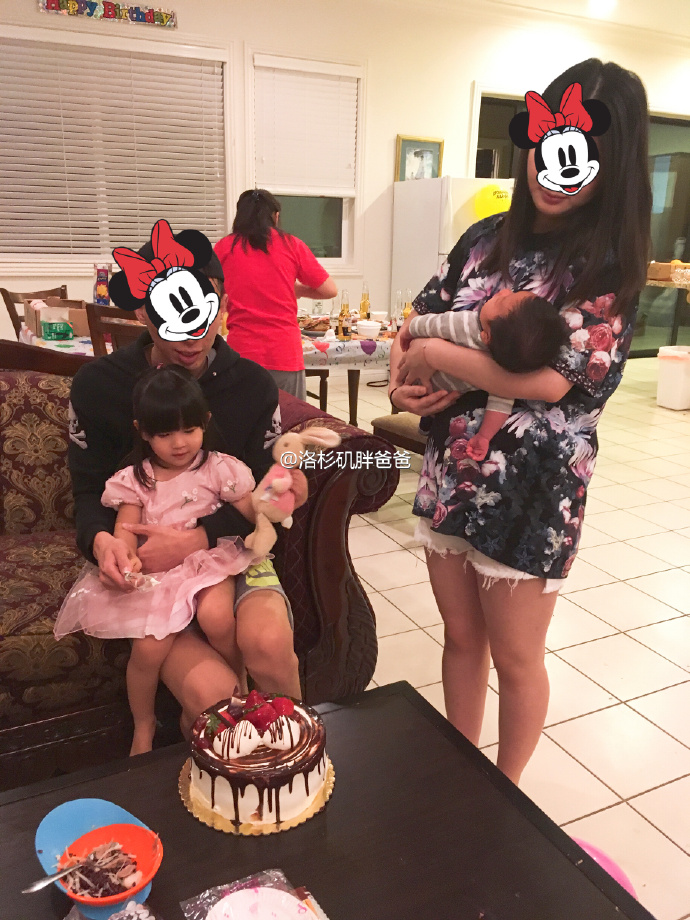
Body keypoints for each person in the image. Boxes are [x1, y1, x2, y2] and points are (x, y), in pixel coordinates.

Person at [390, 59, 651, 785]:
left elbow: (554, 381)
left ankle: (504, 800)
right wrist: (403, 376)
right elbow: (415, 319)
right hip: (452, 471)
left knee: (515, 656)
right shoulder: (484, 238)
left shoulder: (606, 267)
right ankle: (458, 778)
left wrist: (437, 352)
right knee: (460, 636)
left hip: (533, 491)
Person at [68, 230, 305, 744]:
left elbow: (271, 491)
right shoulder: (99, 386)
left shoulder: (251, 384)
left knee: (267, 644)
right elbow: (88, 492)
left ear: (221, 303)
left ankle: (301, 756)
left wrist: (207, 533)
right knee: (217, 695)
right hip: (150, 576)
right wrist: (102, 542)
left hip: (230, 554)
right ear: (141, 312)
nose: (190, 335)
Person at [58, 366, 262, 755]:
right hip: (161, 575)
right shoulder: (135, 479)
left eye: (189, 430)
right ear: (143, 432)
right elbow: (126, 531)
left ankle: (240, 682)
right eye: (165, 434)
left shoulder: (219, 468)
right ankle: (144, 724)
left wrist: (276, 497)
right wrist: (125, 558)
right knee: (148, 651)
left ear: (205, 422)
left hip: (207, 562)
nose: (179, 443)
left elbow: (253, 512)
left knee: (218, 617)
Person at [400, 288, 568, 460]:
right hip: (427, 385)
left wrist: (408, 331)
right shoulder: (505, 365)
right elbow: (500, 406)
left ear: (486, 336)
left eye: (501, 301)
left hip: (419, 384)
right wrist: (484, 436)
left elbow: (432, 323)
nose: (504, 291)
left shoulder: (466, 324)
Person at [214, 188, 338, 400]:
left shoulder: (224, 247)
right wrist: (298, 290)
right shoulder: (291, 244)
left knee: (244, 418)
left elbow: (212, 293)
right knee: (289, 417)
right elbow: (330, 290)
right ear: (276, 216)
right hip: (284, 353)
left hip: (241, 352)